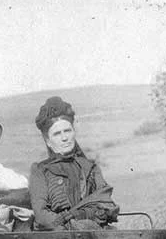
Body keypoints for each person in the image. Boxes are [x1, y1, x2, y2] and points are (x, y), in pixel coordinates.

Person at [28, 96, 119, 231]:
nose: (65, 138)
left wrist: (80, 215)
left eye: (67, 131)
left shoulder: (90, 168)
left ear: (74, 132)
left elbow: (107, 206)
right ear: (48, 141)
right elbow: (42, 216)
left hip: (93, 234)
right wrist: (72, 227)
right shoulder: (40, 171)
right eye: (57, 134)